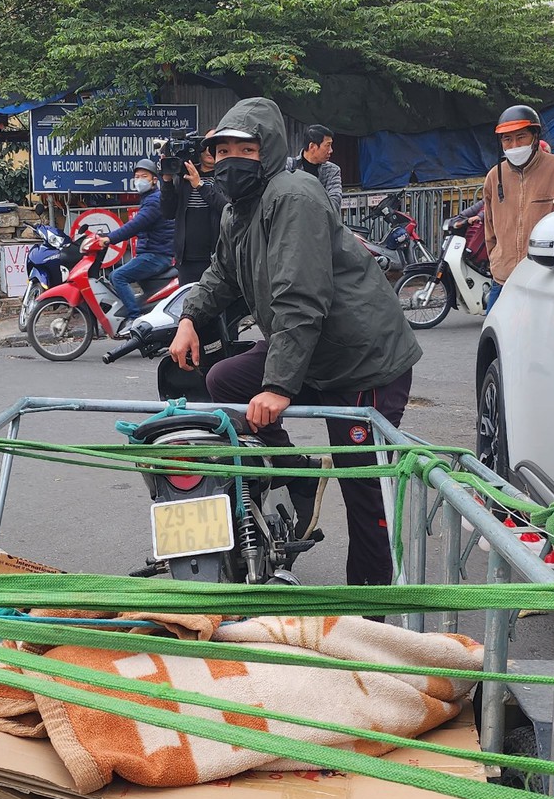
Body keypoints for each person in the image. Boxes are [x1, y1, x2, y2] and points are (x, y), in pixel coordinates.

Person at [170, 97, 423, 586]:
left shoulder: (294, 195)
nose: (229, 160)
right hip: (315, 350)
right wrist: (189, 320)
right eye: (220, 151)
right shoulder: (238, 212)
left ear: (266, 150)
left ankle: (369, 608)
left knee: (362, 487)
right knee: (225, 380)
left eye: (242, 149)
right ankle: (298, 474)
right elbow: (220, 274)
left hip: (362, 360)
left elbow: (301, 299)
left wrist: (279, 387)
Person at [481, 104, 554, 288]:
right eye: (507, 139)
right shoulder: (494, 177)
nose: (514, 145)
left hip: (547, 281)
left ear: (535, 137)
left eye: (521, 137)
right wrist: (497, 261)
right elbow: (490, 230)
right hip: (504, 282)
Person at [95, 159, 176, 329]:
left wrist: (110, 238)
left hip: (157, 255)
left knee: (117, 276)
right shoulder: (149, 199)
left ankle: (134, 317)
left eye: (144, 176)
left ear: (154, 180)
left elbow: (135, 226)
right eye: (136, 176)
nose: (139, 180)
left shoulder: (155, 201)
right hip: (152, 253)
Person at [172, 143, 226, 285]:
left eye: (215, 146)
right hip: (186, 259)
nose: (209, 150)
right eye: (205, 145)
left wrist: (200, 185)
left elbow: (226, 207)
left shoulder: (226, 176)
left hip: (216, 257)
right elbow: (167, 212)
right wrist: (166, 181)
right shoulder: (184, 177)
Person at [293, 124, 343, 209]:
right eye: (327, 145)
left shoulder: (332, 170)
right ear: (312, 146)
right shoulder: (290, 166)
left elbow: (335, 201)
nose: (331, 150)